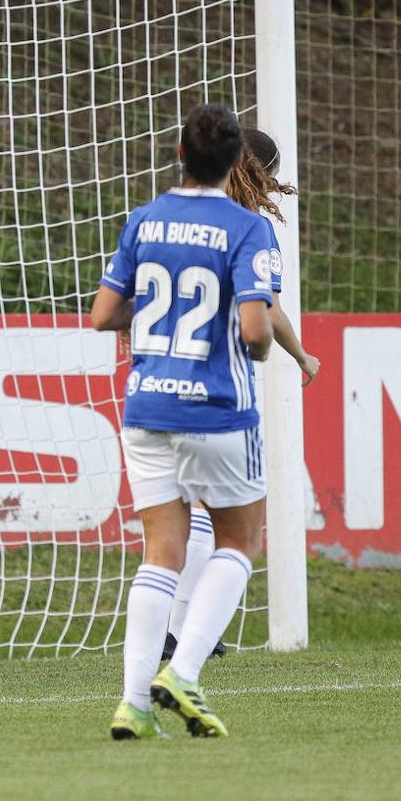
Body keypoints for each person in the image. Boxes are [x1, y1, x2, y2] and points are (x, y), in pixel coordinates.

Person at [92, 103, 275, 740]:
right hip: (218, 406)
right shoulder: (246, 227)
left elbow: (102, 314)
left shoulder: (143, 221)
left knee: (160, 552)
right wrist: (248, 343)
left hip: (146, 404)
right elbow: (255, 330)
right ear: (236, 163)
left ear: (177, 154)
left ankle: (133, 702)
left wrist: (157, 325)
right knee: (238, 543)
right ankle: (185, 671)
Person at [162, 126, 319, 660]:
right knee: (220, 516)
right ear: (258, 172)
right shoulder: (250, 227)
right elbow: (266, 311)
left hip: (161, 381)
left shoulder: (170, 216)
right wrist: (299, 354)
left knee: (180, 512)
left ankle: (177, 626)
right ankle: (182, 631)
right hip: (219, 384)